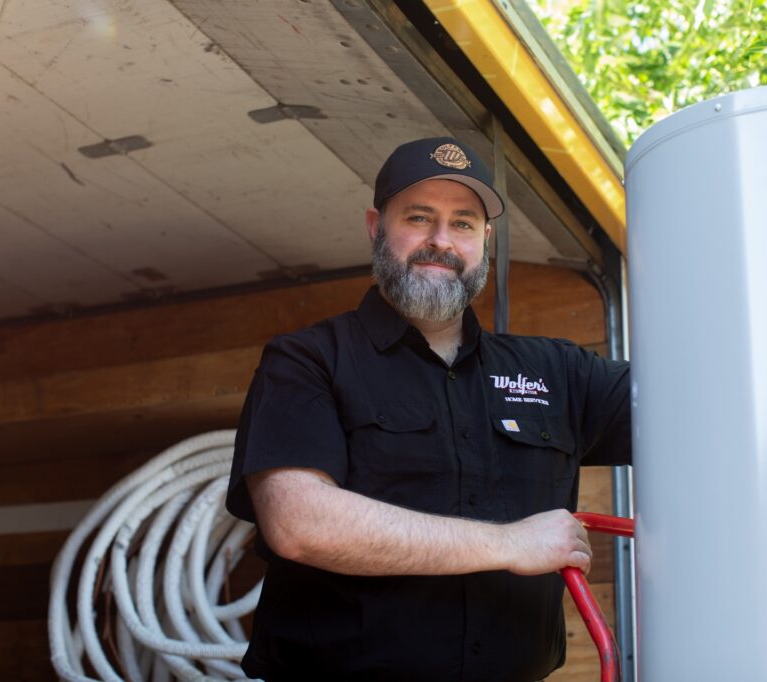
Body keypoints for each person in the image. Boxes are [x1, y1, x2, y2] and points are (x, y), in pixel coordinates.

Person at [226, 137, 631, 681]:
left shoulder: (559, 373)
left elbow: (707, 409)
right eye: (419, 217)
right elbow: (300, 522)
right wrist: (509, 543)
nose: (441, 241)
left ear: (485, 240)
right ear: (376, 226)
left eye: (463, 223)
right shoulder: (307, 361)